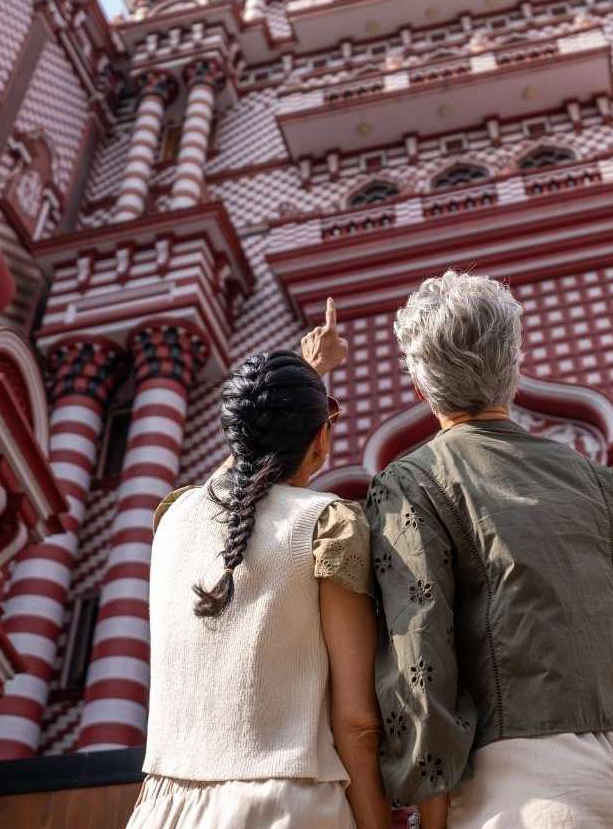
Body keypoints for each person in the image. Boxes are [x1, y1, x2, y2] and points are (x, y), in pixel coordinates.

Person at [366, 271, 613, 828]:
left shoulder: (413, 482)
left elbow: (421, 662)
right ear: (514, 366)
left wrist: (427, 806)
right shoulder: (600, 481)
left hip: (524, 788)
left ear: (421, 388)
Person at [129, 301, 391, 829]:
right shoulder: (327, 522)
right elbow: (358, 725)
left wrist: (307, 377)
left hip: (161, 811)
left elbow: (238, 468)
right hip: (286, 808)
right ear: (321, 440)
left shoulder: (171, 520)